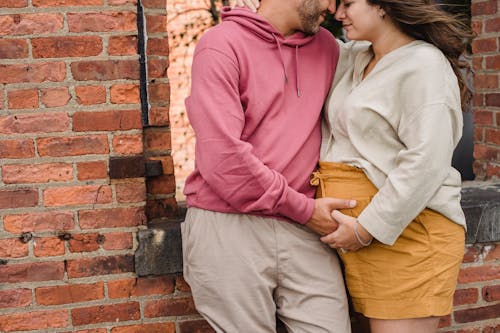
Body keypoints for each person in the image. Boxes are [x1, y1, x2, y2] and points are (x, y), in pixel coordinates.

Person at [236, 0, 474, 332]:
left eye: (348, 3)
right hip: (362, 242)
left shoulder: (424, 65)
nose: (338, 13)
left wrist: (364, 230)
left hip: (408, 237)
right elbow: (304, 42)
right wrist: (266, 12)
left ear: (383, 6)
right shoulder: (356, 56)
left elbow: (426, 163)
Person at [181, 1, 356, 332]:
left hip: (304, 229)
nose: (333, 8)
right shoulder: (221, 45)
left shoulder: (328, 47)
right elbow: (223, 159)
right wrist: (304, 209)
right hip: (229, 226)